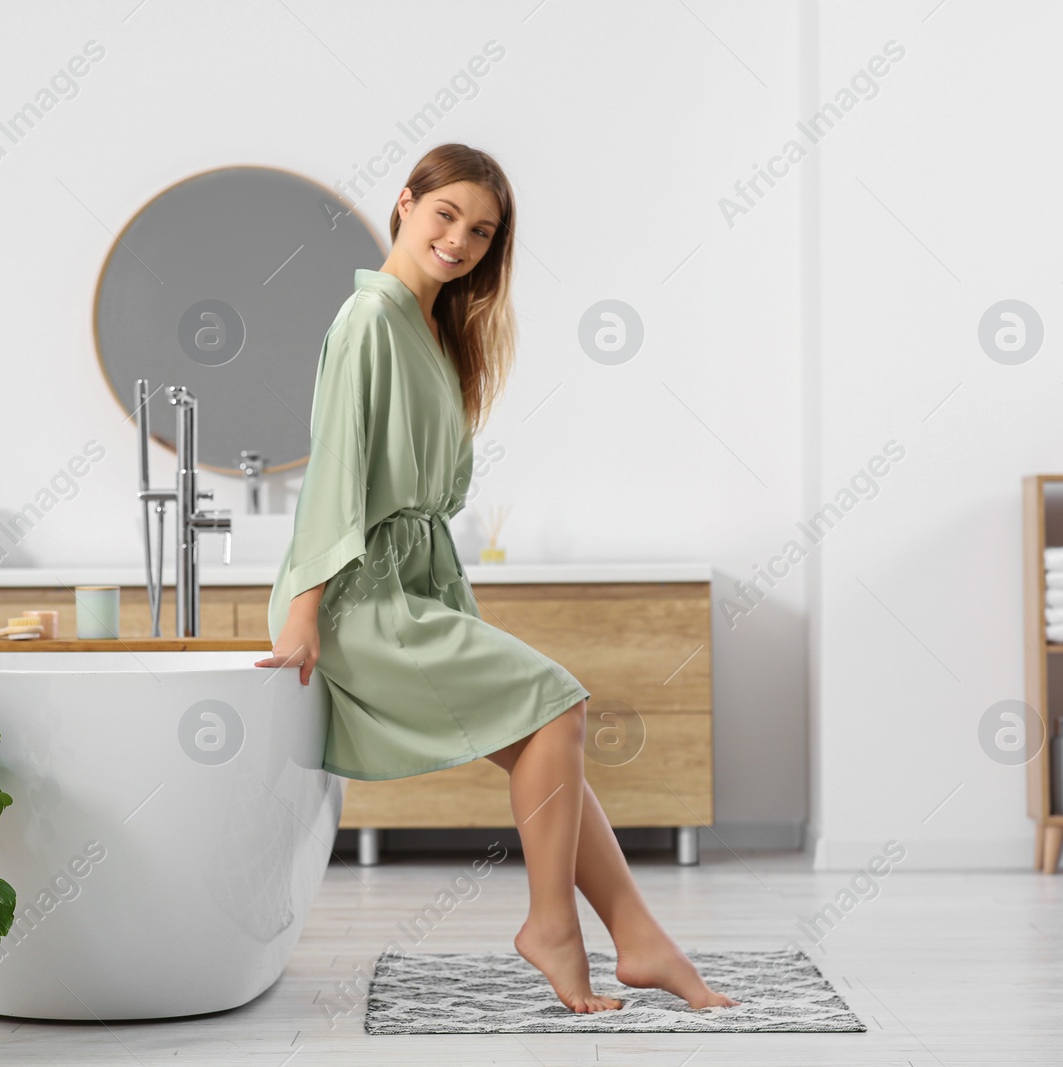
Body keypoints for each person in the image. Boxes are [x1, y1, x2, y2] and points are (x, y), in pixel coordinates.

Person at [254, 143, 738, 1015]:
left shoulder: (430, 326)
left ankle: (638, 935)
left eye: (482, 230)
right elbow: (334, 477)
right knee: (557, 703)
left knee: (539, 743)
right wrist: (302, 616)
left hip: (415, 583)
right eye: (447, 216)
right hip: (363, 597)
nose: (461, 240)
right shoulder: (370, 321)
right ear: (404, 204)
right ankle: (553, 925)